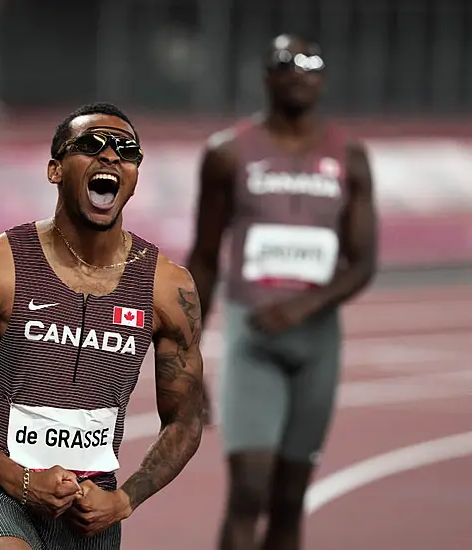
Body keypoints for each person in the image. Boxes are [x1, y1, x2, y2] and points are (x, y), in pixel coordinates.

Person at [0, 102, 205, 550]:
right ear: (55, 170)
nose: (111, 156)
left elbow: (185, 420)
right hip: (0, 490)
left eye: (126, 150)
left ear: (134, 176)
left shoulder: (167, 288)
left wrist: (124, 500)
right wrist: (20, 481)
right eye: (92, 144)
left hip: (91, 509)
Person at [185, 34, 378, 550]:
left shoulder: (351, 158)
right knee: (248, 491)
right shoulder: (228, 154)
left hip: (317, 343)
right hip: (253, 340)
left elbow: (364, 263)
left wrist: (304, 305)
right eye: (289, 64)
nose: (302, 74)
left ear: (325, 80)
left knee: (291, 500)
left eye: (314, 65)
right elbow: (203, 257)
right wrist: (188, 353)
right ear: (267, 76)